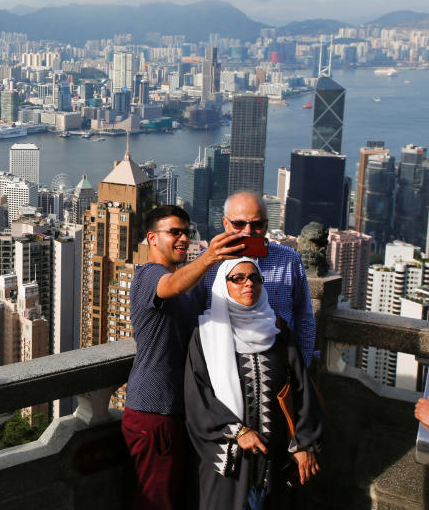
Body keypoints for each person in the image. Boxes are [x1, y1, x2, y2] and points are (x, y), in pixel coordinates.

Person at [121, 205, 245, 509]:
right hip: (153, 412)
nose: (183, 238)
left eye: (186, 233)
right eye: (174, 232)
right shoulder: (149, 275)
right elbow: (170, 286)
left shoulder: (191, 287)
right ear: (152, 238)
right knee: (156, 501)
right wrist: (209, 256)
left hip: (180, 412)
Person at [185, 258, 323, 509]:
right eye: (238, 278)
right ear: (222, 285)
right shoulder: (206, 335)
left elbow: (301, 390)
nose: (248, 284)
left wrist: (304, 444)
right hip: (229, 465)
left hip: (275, 464)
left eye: (254, 278)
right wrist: (237, 432)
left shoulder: (278, 332)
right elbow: (198, 397)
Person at [194, 191, 317, 366]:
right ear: (225, 223)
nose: (248, 231)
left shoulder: (289, 260)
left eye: (256, 224)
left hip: (279, 365)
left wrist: (301, 368)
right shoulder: (207, 262)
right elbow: (193, 317)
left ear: (266, 225)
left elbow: (304, 318)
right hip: (222, 364)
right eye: (239, 223)